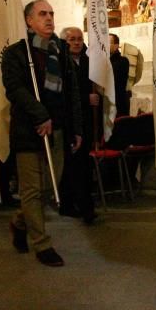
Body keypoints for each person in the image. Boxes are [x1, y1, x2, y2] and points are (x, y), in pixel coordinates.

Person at [2, 0, 82, 267]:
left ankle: (18, 222)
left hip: (57, 129)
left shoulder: (59, 51)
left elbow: (71, 92)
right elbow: (15, 89)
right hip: (28, 130)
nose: (49, 18)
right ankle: (42, 244)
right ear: (29, 21)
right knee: (32, 190)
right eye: (42, 14)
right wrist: (41, 116)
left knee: (49, 188)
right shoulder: (16, 53)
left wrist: (76, 128)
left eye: (51, 13)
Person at [59, 26, 97, 224]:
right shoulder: (59, 62)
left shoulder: (89, 62)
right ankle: (72, 203)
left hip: (86, 122)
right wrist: (85, 98)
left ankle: (84, 204)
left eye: (79, 39)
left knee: (83, 165)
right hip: (68, 122)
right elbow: (64, 94)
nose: (76, 42)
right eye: (71, 39)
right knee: (70, 166)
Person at [109, 33, 131, 116]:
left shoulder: (123, 61)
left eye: (108, 42)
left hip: (119, 103)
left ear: (116, 46)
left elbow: (114, 77)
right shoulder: (104, 61)